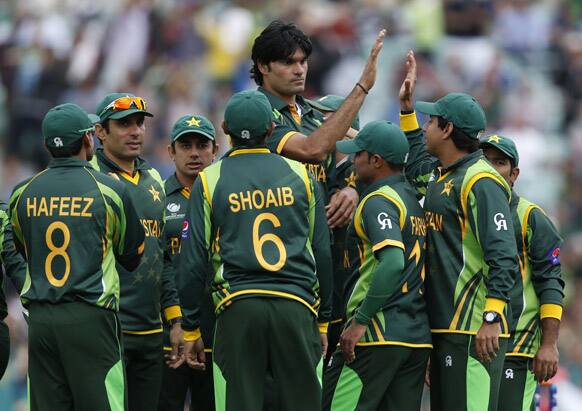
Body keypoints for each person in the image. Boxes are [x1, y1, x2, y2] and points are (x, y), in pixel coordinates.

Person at [175, 90, 333, 411]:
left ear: (225, 130)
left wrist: (190, 327)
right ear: (272, 130)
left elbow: (192, 262)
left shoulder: (209, 179)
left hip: (238, 309)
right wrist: (324, 322)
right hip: (296, 305)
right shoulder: (302, 175)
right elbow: (322, 253)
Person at [399, 51, 519, 411]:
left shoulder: (480, 180)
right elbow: (418, 163)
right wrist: (406, 110)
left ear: (448, 129)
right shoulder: (444, 174)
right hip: (447, 326)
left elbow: (503, 254)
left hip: (472, 330)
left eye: (430, 120)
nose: (425, 126)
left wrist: (491, 318)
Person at [8, 103, 145, 410]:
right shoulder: (110, 190)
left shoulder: (22, 193)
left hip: (42, 320)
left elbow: (20, 245)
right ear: (88, 140)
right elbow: (132, 256)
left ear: (46, 145)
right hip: (91, 317)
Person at [322, 121, 432, 410]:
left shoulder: (378, 201)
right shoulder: (412, 198)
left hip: (376, 333)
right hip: (416, 338)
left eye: (358, 155)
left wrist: (360, 320)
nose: (353, 162)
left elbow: (393, 262)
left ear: (376, 160)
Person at [91, 93, 181, 411]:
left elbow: (164, 256)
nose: (135, 131)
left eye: (140, 123)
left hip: (151, 330)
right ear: (100, 132)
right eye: (124, 124)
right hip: (107, 329)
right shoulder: (89, 177)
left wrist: (176, 321)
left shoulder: (154, 177)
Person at [252, 20, 385, 231]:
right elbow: (312, 149)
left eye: (303, 61)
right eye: (288, 62)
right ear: (263, 66)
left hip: (320, 244)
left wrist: (352, 190)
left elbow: (350, 169)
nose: (299, 70)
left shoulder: (314, 114)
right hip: (278, 241)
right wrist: (363, 87)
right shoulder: (255, 113)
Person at [479, 135, 565, 411]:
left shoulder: (531, 217)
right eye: (485, 161)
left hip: (516, 347)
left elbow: (551, 282)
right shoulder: (464, 210)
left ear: (514, 174)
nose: (491, 168)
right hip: (468, 340)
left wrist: (549, 344)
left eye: (500, 162)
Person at [158, 114, 218, 411]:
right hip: (170, 329)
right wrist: (175, 320)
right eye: (186, 145)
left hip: (216, 326)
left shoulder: (225, 196)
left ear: (214, 150)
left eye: (202, 145)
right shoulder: (155, 199)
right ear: (171, 151)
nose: (194, 153)